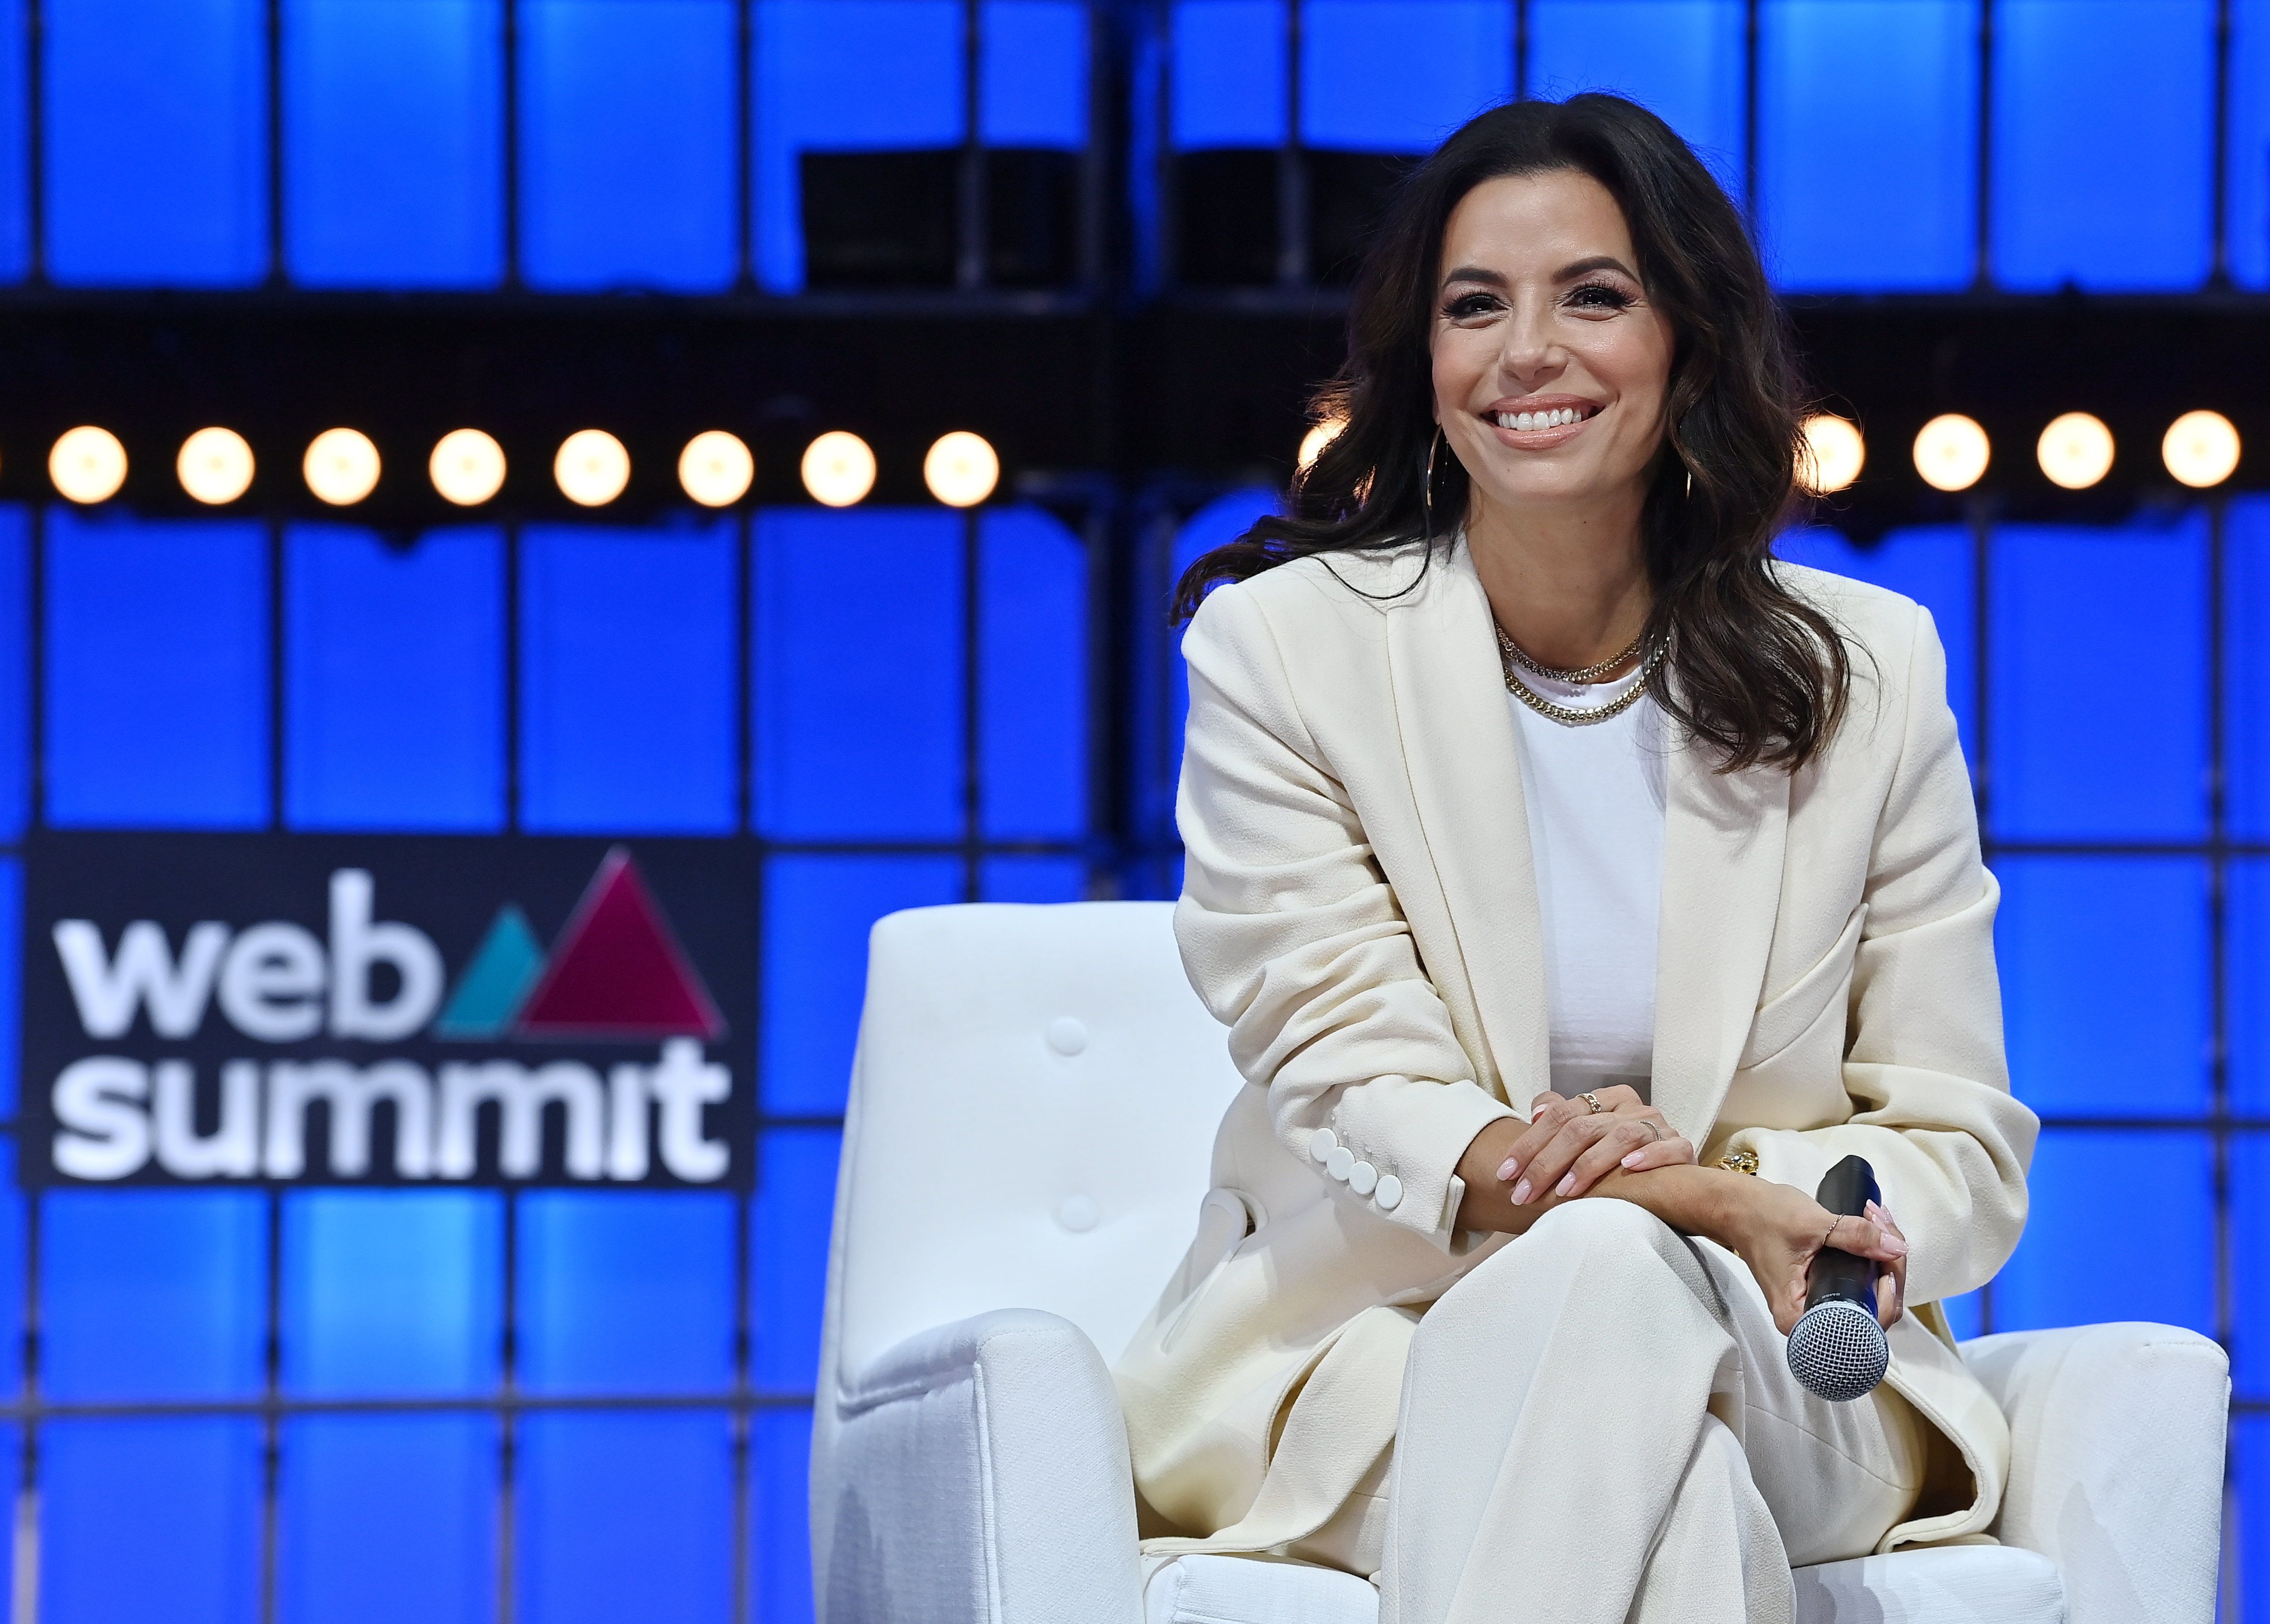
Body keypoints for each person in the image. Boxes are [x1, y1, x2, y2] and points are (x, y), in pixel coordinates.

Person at [1111, 94, 2036, 1624]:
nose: (1525, 352)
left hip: (1785, 1360)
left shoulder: (1871, 673)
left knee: (1619, 1290)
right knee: (1669, 1486)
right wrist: (1696, 1201)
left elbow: (1959, 1139)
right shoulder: (1286, 652)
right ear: (1426, 359)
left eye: (1592, 296)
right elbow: (1343, 1060)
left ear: (1689, 340)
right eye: (1475, 306)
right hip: (1387, 1353)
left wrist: (1727, 1206)